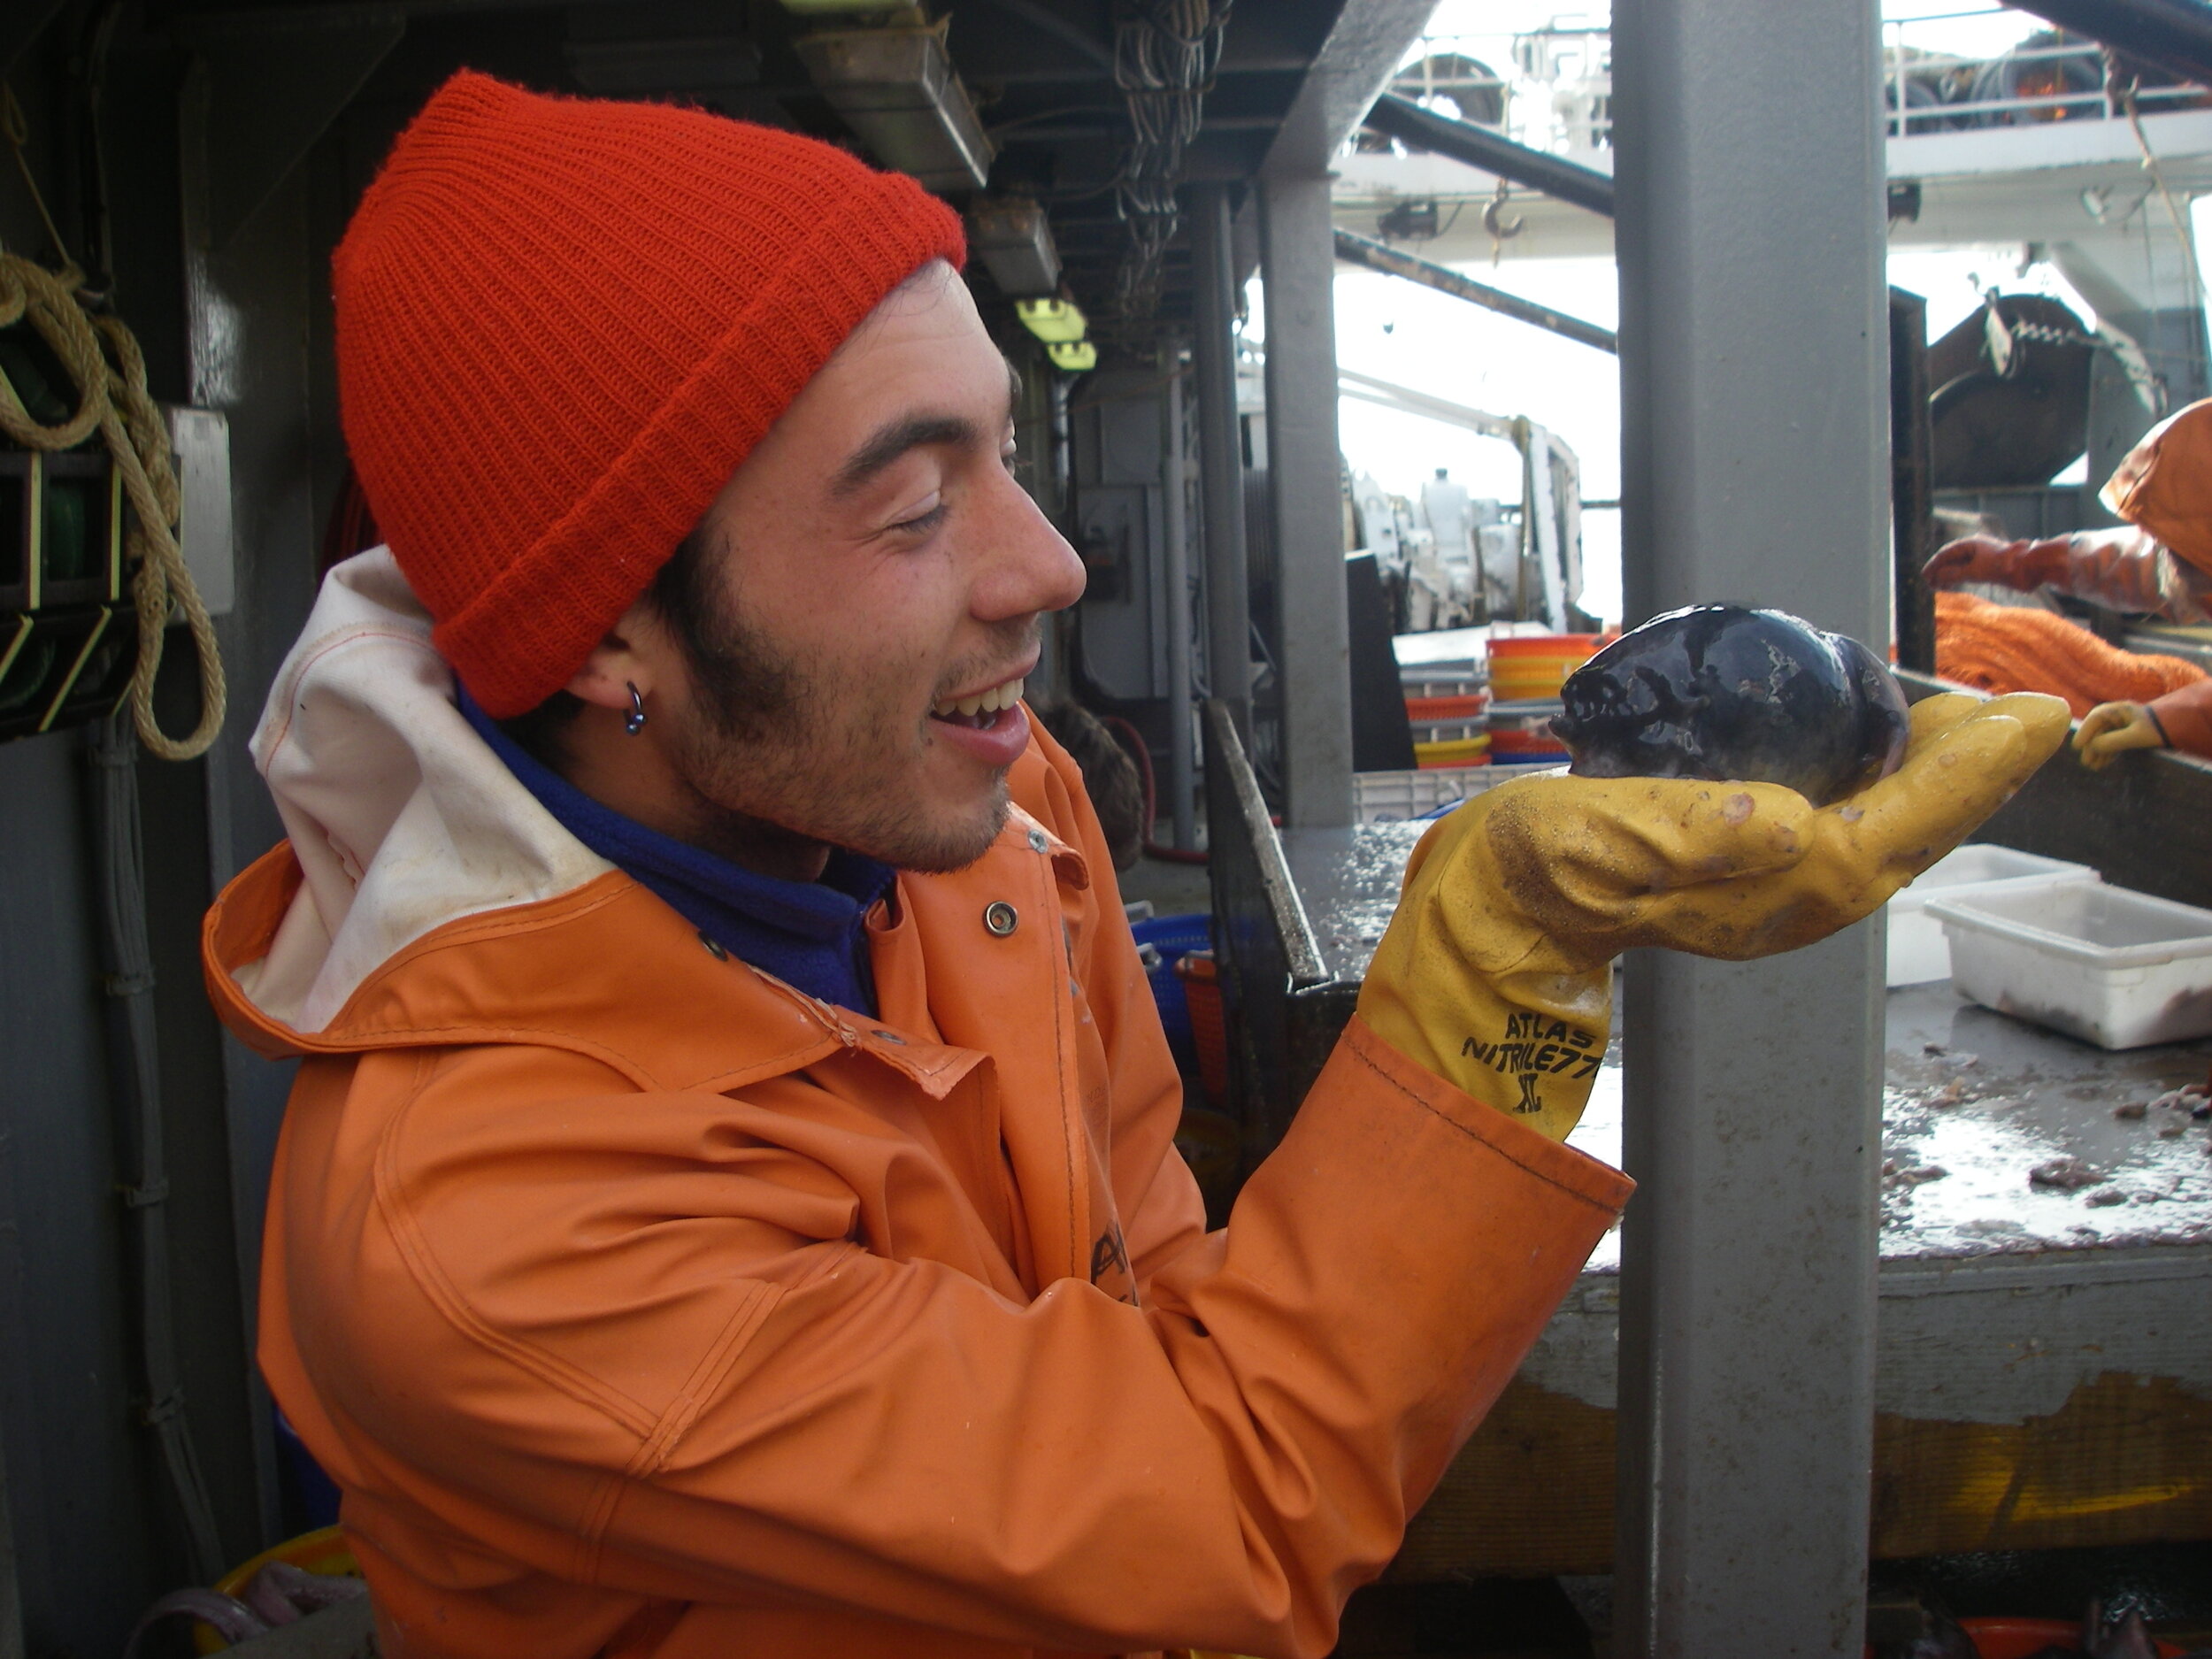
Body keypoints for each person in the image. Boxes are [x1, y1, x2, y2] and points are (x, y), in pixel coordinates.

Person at [202, 73, 2065, 1659]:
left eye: (1004, 456)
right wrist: (1504, 959)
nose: (1044, 565)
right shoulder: (480, 1234)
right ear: (613, 636)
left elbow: (1174, 1312)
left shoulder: (991, 839)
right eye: (916, 506)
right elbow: (1228, 1502)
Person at [1924, 399, 2212, 768]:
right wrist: (2015, 561)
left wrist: (2170, 719)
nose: (2171, 562)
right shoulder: (2191, 554)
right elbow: (2147, 564)